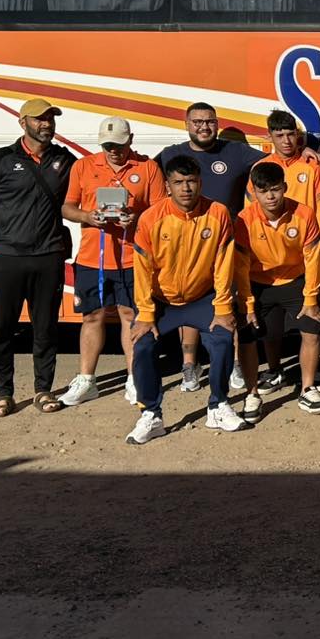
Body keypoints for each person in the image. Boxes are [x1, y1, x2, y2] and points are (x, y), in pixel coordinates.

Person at [0, 97, 76, 418]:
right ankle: (4, 393)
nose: (47, 124)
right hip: (5, 258)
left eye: (51, 119)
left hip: (48, 257)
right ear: (22, 122)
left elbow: (90, 188)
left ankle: (43, 390)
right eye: (40, 119)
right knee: (1, 328)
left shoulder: (64, 160)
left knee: (46, 328)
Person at [126, 155, 242, 443]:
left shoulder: (218, 213)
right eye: (178, 182)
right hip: (162, 301)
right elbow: (142, 270)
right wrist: (145, 314)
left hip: (202, 298)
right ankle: (150, 414)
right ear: (168, 186)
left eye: (191, 181)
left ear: (200, 182)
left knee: (223, 338)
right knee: (141, 345)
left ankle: (218, 405)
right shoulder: (151, 218)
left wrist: (224, 307)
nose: (186, 188)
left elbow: (224, 263)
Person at [156, 101, 266, 391]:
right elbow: (147, 175)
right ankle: (190, 366)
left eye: (210, 121)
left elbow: (270, 164)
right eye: (198, 122)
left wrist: (305, 147)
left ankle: (234, 364)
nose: (204, 127)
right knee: (188, 301)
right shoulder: (171, 154)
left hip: (224, 243)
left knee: (227, 303)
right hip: (185, 242)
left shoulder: (235, 151)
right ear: (187, 124)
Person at [59, 117, 165, 409]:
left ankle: (134, 377)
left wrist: (137, 218)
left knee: (129, 315)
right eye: (107, 146)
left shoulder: (147, 168)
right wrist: (87, 216)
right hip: (93, 257)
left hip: (132, 258)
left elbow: (160, 211)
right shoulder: (83, 166)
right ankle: (86, 379)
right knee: (92, 316)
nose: (114, 151)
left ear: (131, 139)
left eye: (119, 145)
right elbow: (67, 207)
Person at [233, 162, 320, 420]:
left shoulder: (304, 214)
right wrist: (247, 305)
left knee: (311, 327)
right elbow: (239, 268)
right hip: (258, 283)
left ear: (285, 187)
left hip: (295, 280)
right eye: (264, 191)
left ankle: (307, 389)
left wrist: (311, 298)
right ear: (254, 192)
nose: (271, 197)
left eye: (275, 189)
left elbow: (312, 258)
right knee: (251, 335)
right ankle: (252, 394)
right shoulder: (244, 220)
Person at [247, 110, 320, 389]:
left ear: (298, 136)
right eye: (279, 135)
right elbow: (250, 214)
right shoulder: (259, 170)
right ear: (269, 137)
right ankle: (274, 370)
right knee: (269, 330)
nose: (286, 140)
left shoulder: (311, 167)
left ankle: (312, 376)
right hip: (267, 267)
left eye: (290, 134)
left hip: (305, 259)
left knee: (313, 322)